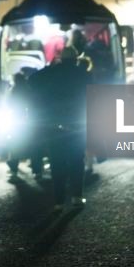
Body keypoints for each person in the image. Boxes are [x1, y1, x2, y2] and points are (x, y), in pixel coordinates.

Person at [28, 45, 89, 210]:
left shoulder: (51, 73)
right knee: (77, 160)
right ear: (76, 59)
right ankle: (77, 196)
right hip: (77, 124)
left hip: (53, 124)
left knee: (57, 162)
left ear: (61, 58)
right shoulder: (83, 75)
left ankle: (59, 201)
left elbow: (32, 80)